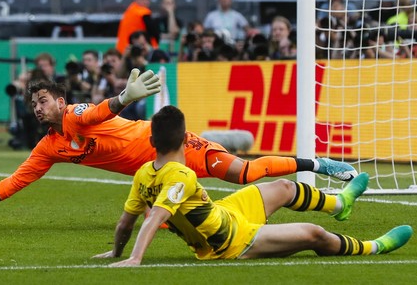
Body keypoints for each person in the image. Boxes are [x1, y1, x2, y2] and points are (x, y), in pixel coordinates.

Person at [0, 73, 357, 222]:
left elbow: (95, 115)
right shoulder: (50, 146)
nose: (36, 107)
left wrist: (123, 98)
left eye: (42, 100)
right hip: (156, 172)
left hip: (170, 145)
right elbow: (18, 179)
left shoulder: (76, 113)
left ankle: (318, 163)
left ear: (60, 101)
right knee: (194, 215)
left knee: (243, 174)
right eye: (33, 104)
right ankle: (328, 203)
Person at [94, 105, 412, 266]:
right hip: (231, 242)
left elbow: (126, 222)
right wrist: (134, 259)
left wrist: (115, 251)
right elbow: (154, 220)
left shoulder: (143, 173)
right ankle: (375, 246)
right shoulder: (181, 175)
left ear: (151, 141)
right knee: (313, 234)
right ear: (185, 138)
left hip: (224, 212)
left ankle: (340, 203)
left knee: (284, 188)